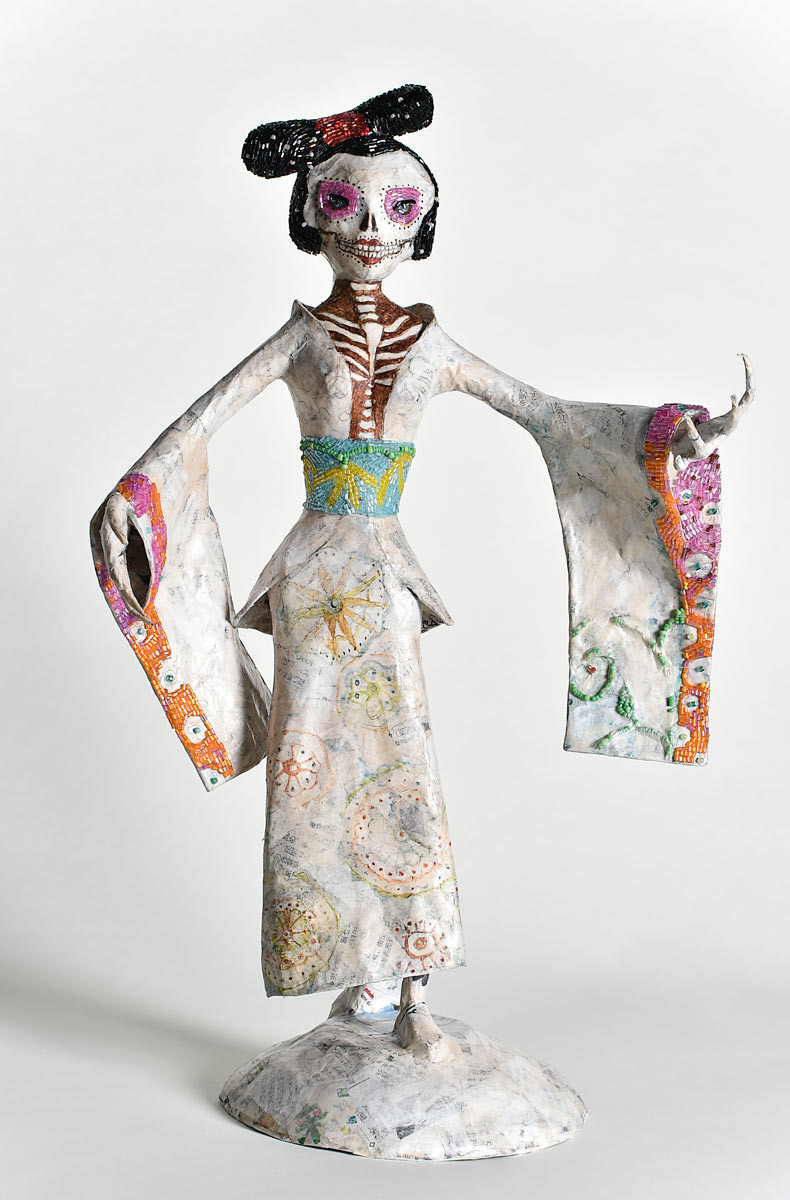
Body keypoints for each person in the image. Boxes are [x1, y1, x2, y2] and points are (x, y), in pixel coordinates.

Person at [91, 85, 754, 1063]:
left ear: (423, 225)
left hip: (385, 580)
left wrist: (667, 434)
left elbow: (548, 416)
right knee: (309, 776)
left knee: (404, 772)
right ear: (311, 216)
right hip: (312, 575)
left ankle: (413, 983)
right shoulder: (301, 337)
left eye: (397, 208)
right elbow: (199, 423)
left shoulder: (430, 346)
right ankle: (355, 980)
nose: (369, 230)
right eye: (345, 204)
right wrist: (133, 495)